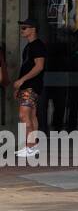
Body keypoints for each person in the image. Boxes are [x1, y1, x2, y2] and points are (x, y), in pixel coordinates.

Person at [12, 19, 47, 158]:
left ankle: (30, 147)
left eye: (25, 28)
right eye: (21, 28)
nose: (22, 30)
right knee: (31, 115)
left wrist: (22, 80)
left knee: (23, 115)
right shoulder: (30, 46)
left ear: (33, 29)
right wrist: (19, 86)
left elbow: (39, 66)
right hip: (29, 86)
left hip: (31, 86)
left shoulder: (37, 45)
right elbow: (27, 66)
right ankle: (32, 146)